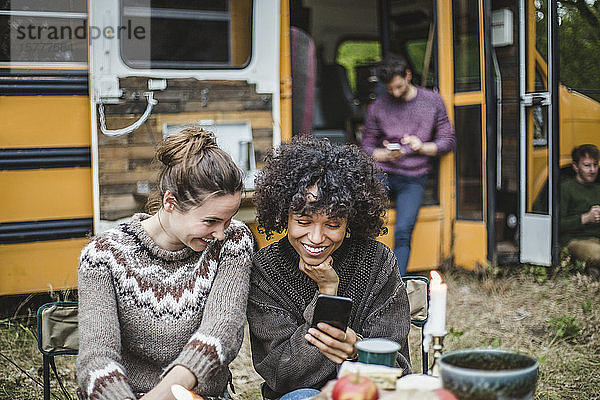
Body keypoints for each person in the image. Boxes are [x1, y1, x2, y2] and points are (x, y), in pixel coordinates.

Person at [76, 128, 254, 400]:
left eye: (228, 219)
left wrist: (161, 396)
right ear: (170, 201)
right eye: (210, 221)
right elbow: (96, 357)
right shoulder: (102, 256)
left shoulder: (234, 241)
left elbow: (221, 331)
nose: (220, 232)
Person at [247, 136, 412, 400]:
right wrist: (327, 292)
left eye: (332, 225)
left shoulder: (377, 262)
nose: (315, 237)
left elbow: (399, 369)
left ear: (351, 220)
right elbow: (283, 375)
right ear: (283, 214)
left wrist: (358, 350)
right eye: (303, 221)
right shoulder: (266, 270)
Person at [361, 55, 455, 276]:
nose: (394, 92)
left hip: (414, 176)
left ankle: (396, 283)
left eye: (398, 87)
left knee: (403, 230)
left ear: (408, 76)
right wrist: (384, 154)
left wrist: (421, 147)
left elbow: (448, 142)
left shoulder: (433, 101)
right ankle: (363, 277)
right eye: (389, 88)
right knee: (362, 222)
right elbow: (365, 146)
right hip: (382, 173)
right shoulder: (378, 106)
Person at [560, 144, 600, 266]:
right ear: (575, 167)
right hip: (574, 240)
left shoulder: (598, 189)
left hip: (596, 240)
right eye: (587, 165)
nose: (592, 170)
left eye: (595, 165)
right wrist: (586, 218)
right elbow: (557, 225)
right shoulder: (565, 188)